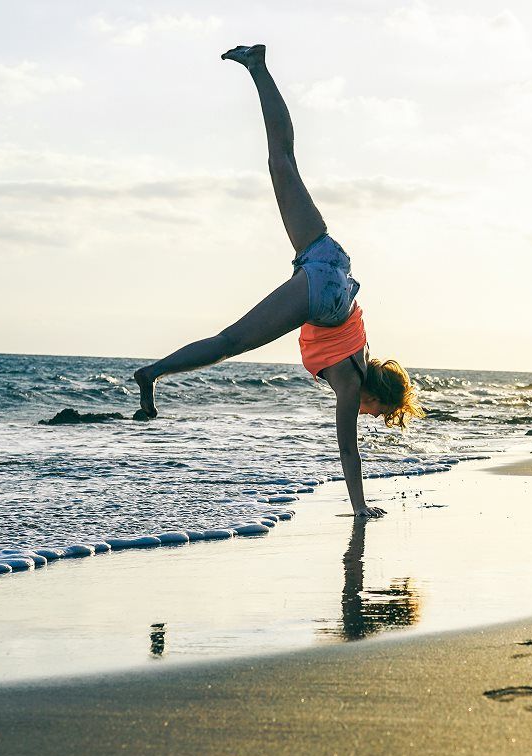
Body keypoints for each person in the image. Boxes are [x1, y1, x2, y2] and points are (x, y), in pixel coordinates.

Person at [132, 44, 422, 518]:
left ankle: (257, 65)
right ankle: (152, 374)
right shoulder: (351, 383)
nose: (367, 416)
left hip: (330, 263)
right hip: (324, 289)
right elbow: (348, 452)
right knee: (230, 342)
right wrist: (361, 508)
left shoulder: (361, 359)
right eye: (376, 411)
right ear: (374, 395)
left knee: (282, 161)